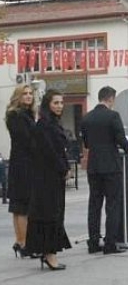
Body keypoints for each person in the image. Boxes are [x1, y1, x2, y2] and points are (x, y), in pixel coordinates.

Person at [80, 86, 128, 254]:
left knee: (94, 205)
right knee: (112, 205)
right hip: (111, 166)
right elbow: (121, 140)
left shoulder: (86, 118)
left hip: (93, 167)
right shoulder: (113, 116)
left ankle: (93, 242)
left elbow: (86, 144)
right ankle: (110, 243)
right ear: (111, 99)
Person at [25, 89, 72, 270]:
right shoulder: (45, 125)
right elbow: (50, 152)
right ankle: (49, 254)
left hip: (52, 177)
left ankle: (49, 253)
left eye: (61, 103)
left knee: (55, 214)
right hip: (46, 179)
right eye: (55, 103)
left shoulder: (52, 123)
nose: (59, 106)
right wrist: (64, 168)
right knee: (49, 215)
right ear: (48, 104)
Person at [5, 84, 35, 258]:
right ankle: (24, 243)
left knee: (18, 205)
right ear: (18, 96)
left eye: (31, 93)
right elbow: (27, 140)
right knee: (23, 205)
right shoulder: (18, 115)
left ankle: (20, 241)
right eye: (25, 94)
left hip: (19, 162)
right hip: (24, 163)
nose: (29, 96)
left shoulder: (19, 115)